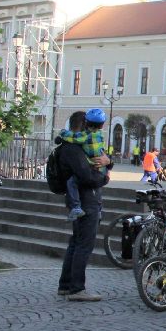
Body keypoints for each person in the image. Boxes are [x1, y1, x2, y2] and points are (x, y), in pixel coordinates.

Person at [57, 110, 113, 301]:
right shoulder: (73, 149)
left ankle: (65, 285)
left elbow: (102, 158)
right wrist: (104, 178)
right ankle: (76, 289)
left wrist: (108, 162)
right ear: (83, 125)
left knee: (76, 243)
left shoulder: (77, 146)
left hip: (83, 201)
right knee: (84, 245)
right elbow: (87, 176)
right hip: (86, 201)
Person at [57, 108, 108, 221]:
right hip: (100, 170)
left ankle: (76, 207)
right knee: (98, 189)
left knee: (71, 182)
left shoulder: (85, 136)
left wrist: (62, 133)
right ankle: (100, 209)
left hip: (92, 171)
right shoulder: (100, 135)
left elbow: (73, 137)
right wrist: (108, 162)